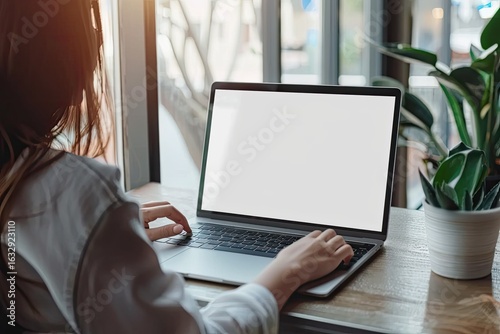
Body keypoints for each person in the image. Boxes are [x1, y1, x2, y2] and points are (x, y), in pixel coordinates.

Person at [0, 1, 354, 333]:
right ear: (63, 58)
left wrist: (104, 235)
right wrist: (287, 271)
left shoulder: (29, 184)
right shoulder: (73, 193)